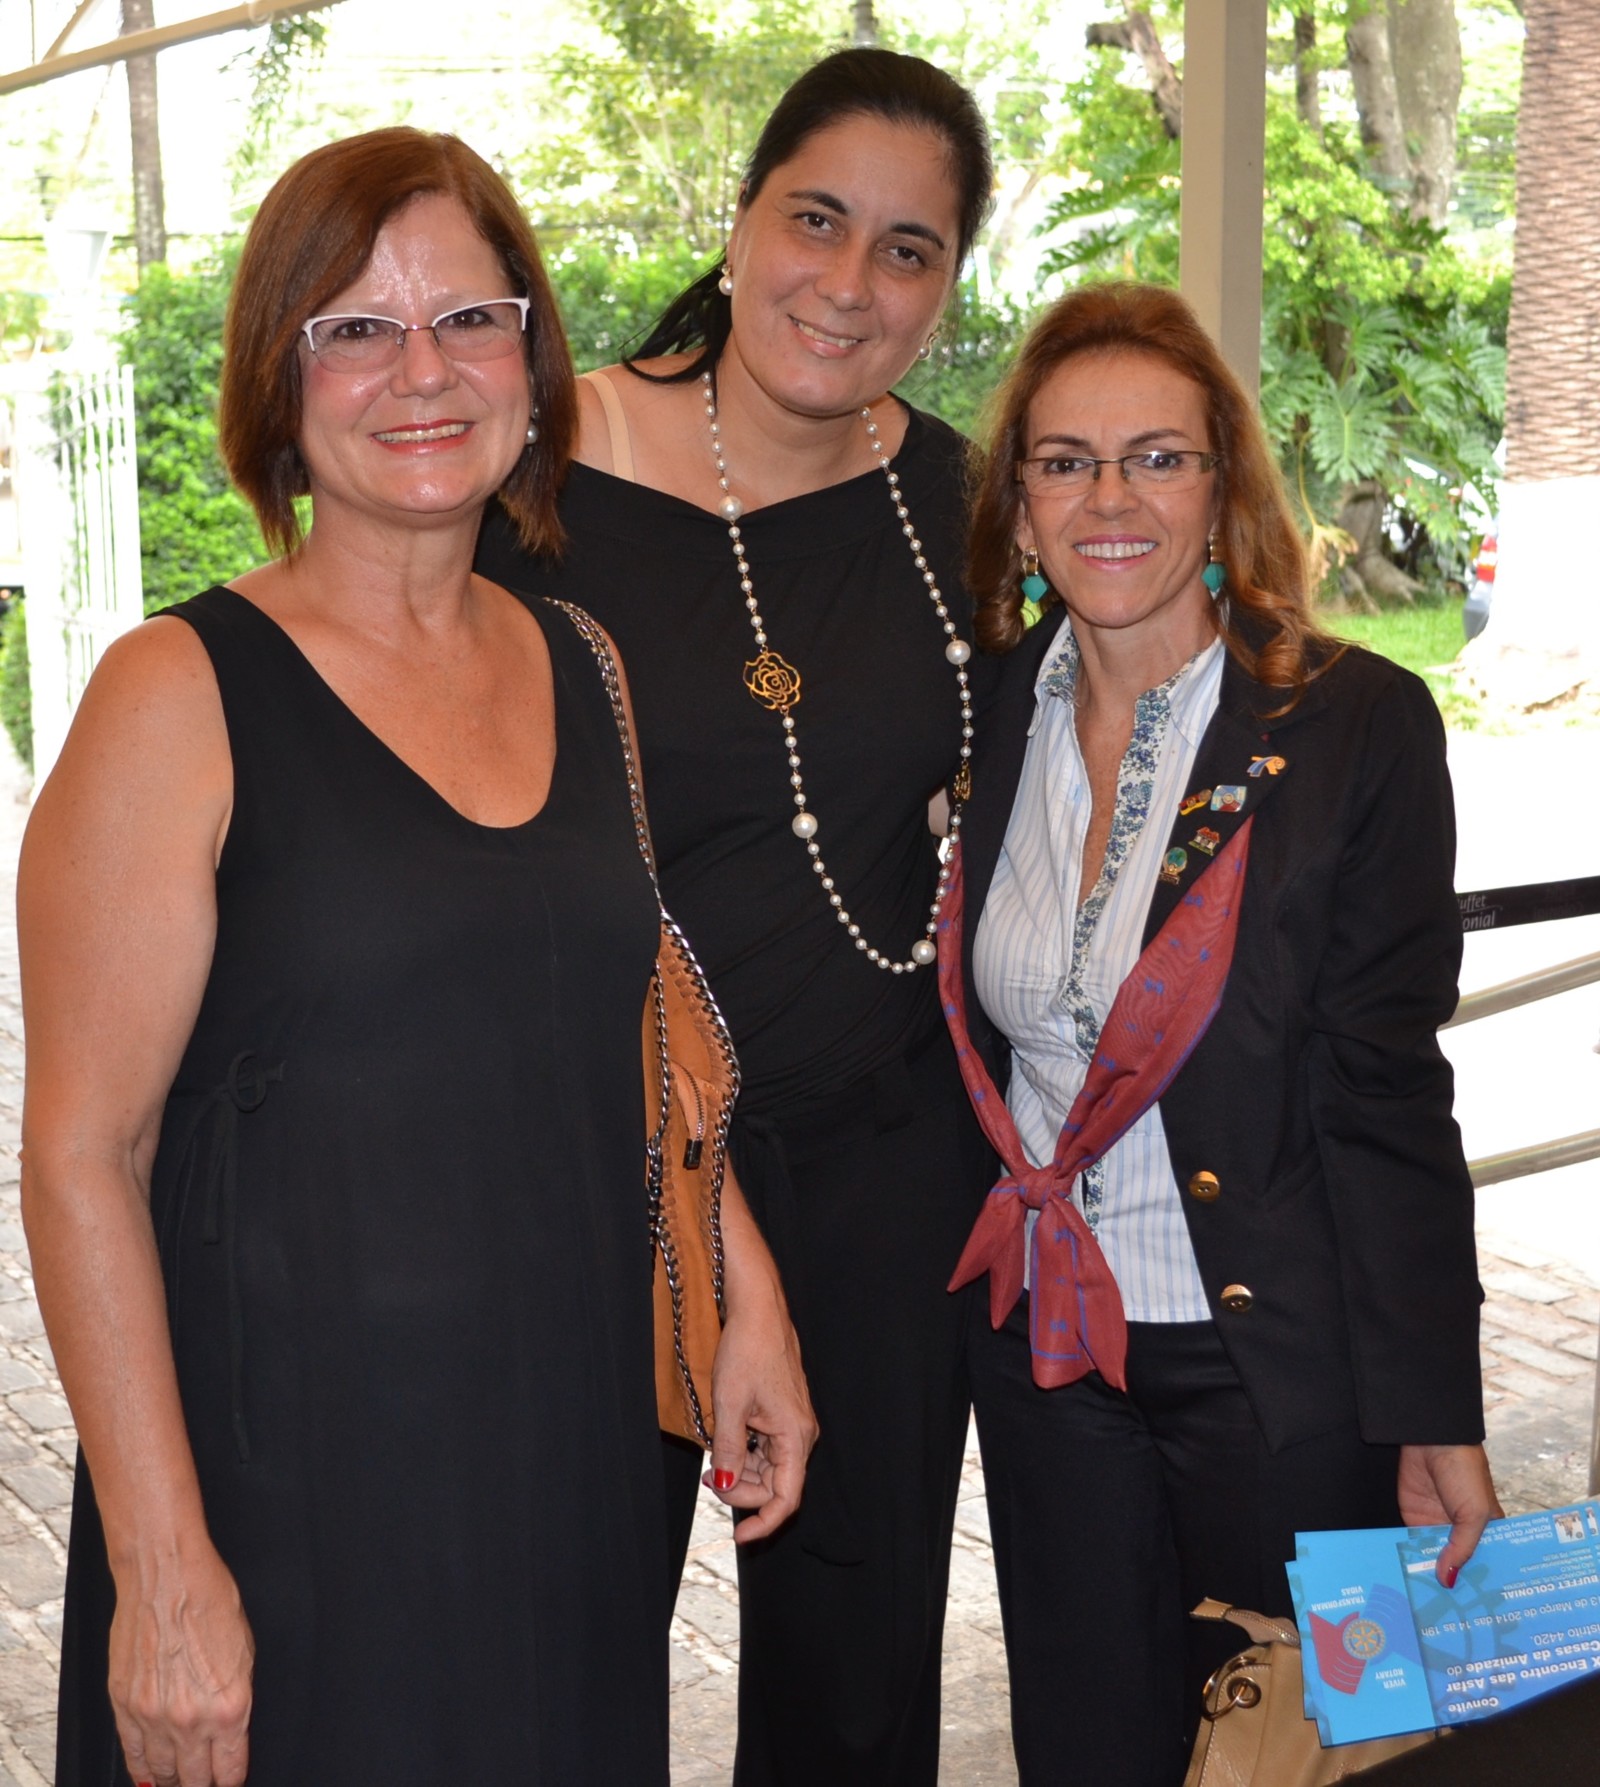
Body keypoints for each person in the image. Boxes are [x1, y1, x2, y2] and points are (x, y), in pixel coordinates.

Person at [20, 127, 811, 1787]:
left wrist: (745, 1297)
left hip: (571, 1466)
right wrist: (164, 1569)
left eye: (468, 318)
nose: (423, 372)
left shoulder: (583, 662)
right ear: (278, 375)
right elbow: (85, 1154)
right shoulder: (177, 692)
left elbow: (633, 1032)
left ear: (531, 352)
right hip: (290, 1495)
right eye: (356, 329)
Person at [477, 46, 995, 1787]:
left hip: (883, 1163)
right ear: (742, 217)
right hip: (600, 1157)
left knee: (858, 1698)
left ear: (948, 282)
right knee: (554, 1666)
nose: (850, 283)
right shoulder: (533, 473)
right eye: (817, 220)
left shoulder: (960, 504)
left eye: (910, 249)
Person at [942, 281, 1500, 1787]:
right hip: (1048, 1355)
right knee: (1088, 1748)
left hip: (1274, 1364)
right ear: (1020, 504)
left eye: (1157, 458)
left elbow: (1389, 1089)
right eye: (1065, 462)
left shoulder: (1352, 725)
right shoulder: (986, 717)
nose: (1110, 499)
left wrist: (1431, 1404)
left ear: (1221, 488)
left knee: (1307, 1750)